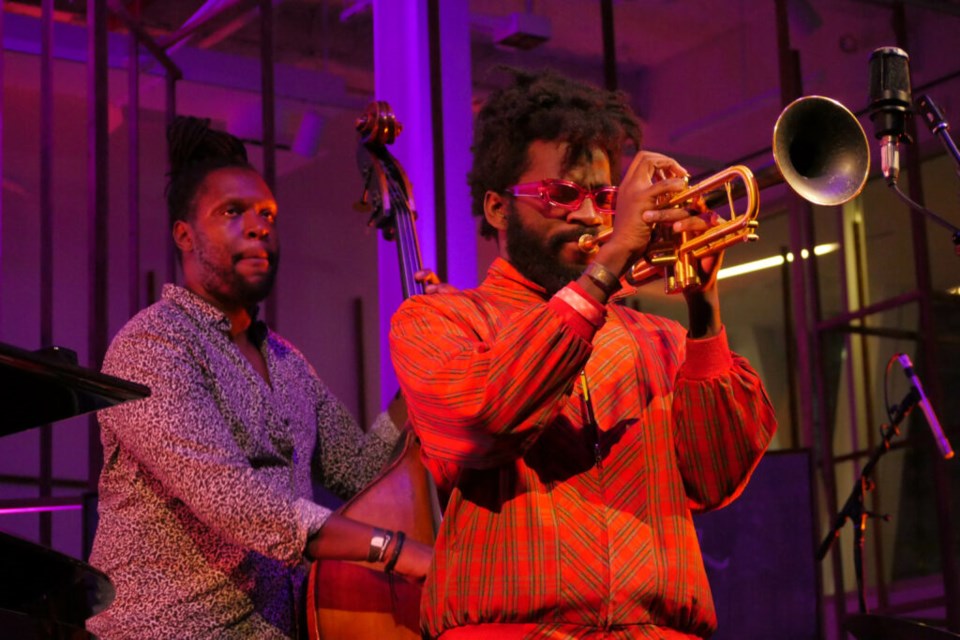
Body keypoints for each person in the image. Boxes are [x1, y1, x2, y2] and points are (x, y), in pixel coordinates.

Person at [389, 68, 778, 639]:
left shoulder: (660, 340)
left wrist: (703, 306)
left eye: (604, 197)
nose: (591, 216)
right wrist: (612, 259)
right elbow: (482, 418)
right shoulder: (441, 321)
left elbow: (714, 478)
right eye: (562, 195)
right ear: (498, 209)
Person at [87, 116, 432, 639]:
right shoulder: (152, 346)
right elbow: (234, 501)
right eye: (233, 212)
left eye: (267, 213)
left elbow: (365, 472)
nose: (259, 226)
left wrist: (426, 366)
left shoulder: (288, 361)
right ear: (184, 234)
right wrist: (397, 552)